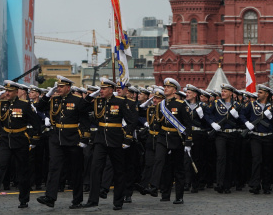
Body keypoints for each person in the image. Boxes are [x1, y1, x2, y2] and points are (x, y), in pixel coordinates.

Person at [0, 80, 40, 207]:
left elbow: (36, 124)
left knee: (22, 171)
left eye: (10, 91)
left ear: (16, 92)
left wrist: (33, 139)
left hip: (21, 140)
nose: (7, 93)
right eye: (6, 91)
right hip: (6, 139)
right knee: (0, 165)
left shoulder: (24, 105)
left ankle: (24, 200)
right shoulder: (1, 104)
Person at [33, 75, 90, 209]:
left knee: (75, 170)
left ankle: (77, 199)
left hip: (73, 138)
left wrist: (84, 138)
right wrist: (48, 94)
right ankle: (50, 197)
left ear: (68, 88)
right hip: (56, 138)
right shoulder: (54, 100)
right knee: (54, 167)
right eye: (58, 86)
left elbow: (85, 120)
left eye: (61, 87)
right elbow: (39, 107)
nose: (58, 89)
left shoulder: (77, 100)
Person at [84, 77, 141, 210]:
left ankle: (118, 201)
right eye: (101, 88)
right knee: (95, 169)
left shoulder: (121, 102)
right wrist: (92, 94)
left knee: (118, 171)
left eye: (104, 89)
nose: (101, 91)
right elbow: (83, 106)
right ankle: (93, 199)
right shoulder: (97, 101)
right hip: (100, 139)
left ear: (111, 90)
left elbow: (132, 121)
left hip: (116, 140)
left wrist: (127, 138)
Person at [149, 78, 193, 204]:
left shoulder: (181, 104)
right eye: (165, 87)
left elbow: (188, 125)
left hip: (177, 139)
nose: (165, 89)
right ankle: (157, 188)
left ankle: (179, 196)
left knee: (177, 169)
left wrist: (188, 142)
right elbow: (158, 124)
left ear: (175, 90)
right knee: (159, 161)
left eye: (168, 87)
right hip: (163, 138)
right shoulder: (160, 105)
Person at [204, 83, 243, 194]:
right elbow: (207, 114)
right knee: (221, 157)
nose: (223, 93)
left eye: (225, 91)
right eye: (222, 91)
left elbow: (242, 121)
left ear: (231, 93)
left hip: (232, 134)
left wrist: (237, 116)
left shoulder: (237, 105)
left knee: (230, 159)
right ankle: (220, 183)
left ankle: (227, 185)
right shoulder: (216, 103)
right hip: (220, 134)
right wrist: (212, 123)